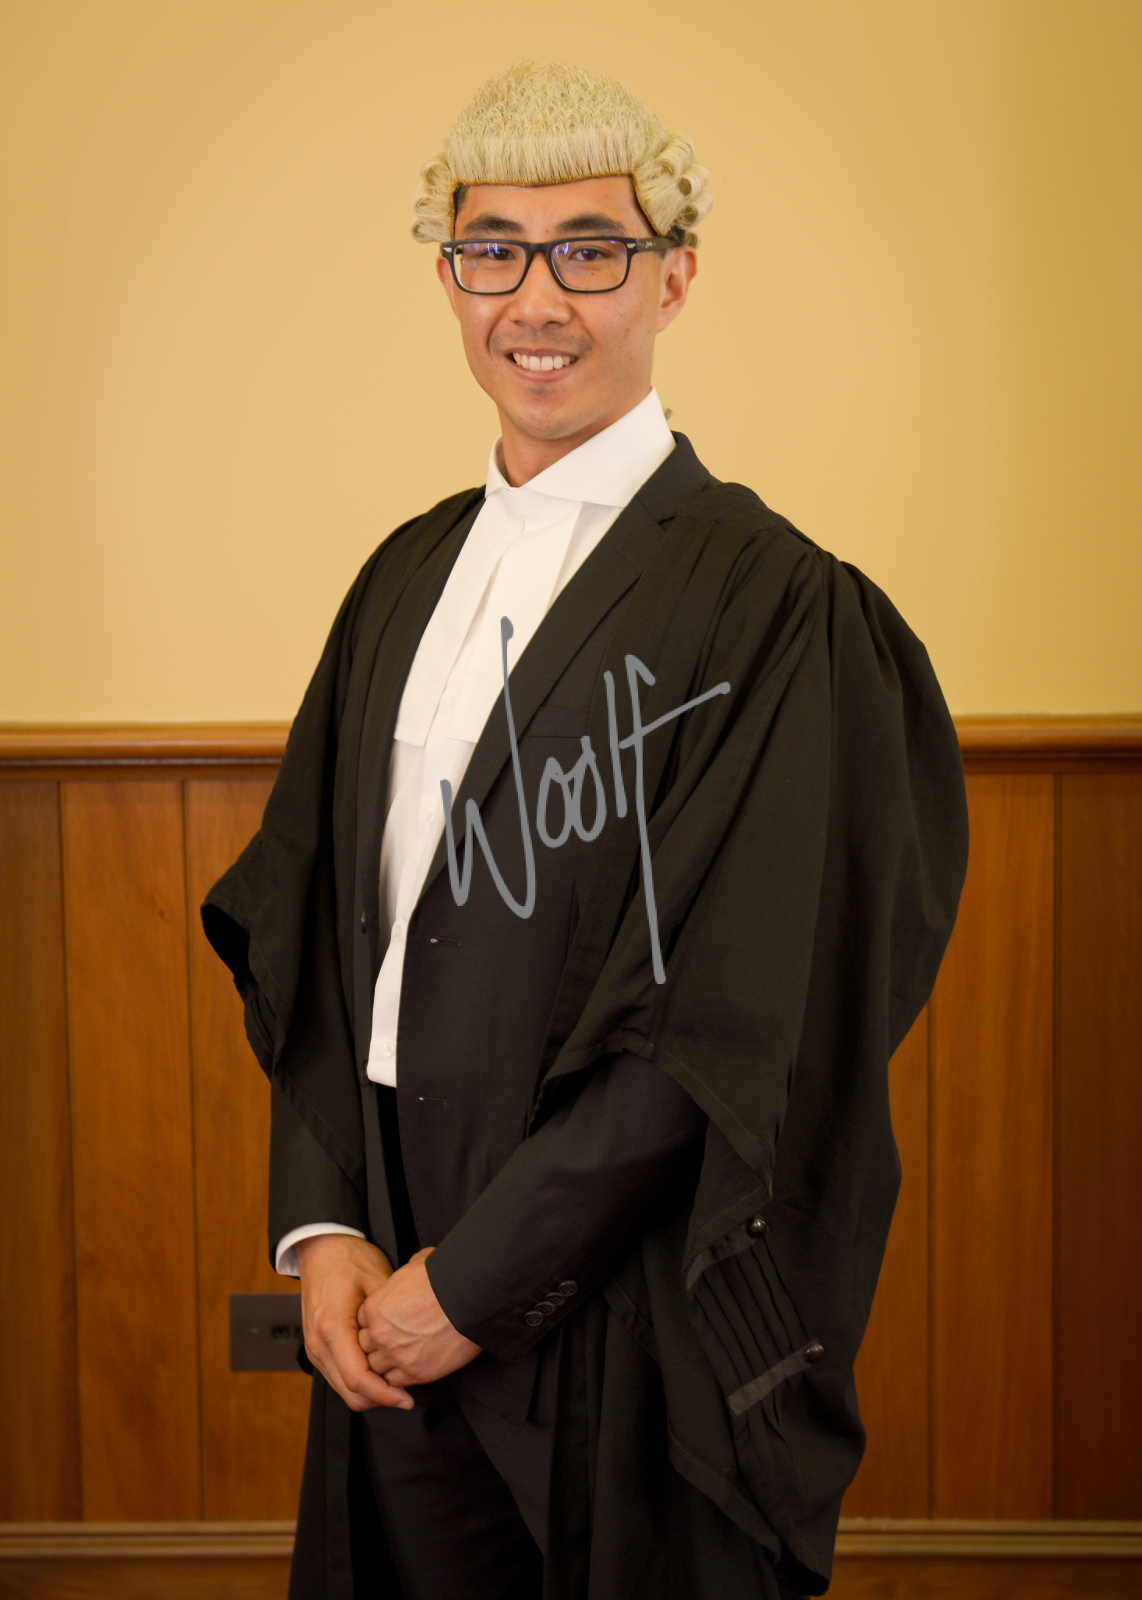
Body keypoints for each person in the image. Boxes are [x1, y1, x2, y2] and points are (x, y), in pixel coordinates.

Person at [202, 59, 968, 1600]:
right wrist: (327, 1229)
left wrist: (478, 1285)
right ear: (448, 277)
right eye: (493, 250)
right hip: (386, 1259)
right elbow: (317, 932)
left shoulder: (777, 610)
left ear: (672, 278)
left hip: (622, 1295)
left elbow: (731, 1025)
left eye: (590, 251)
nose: (535, 299)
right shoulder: (402, 581)